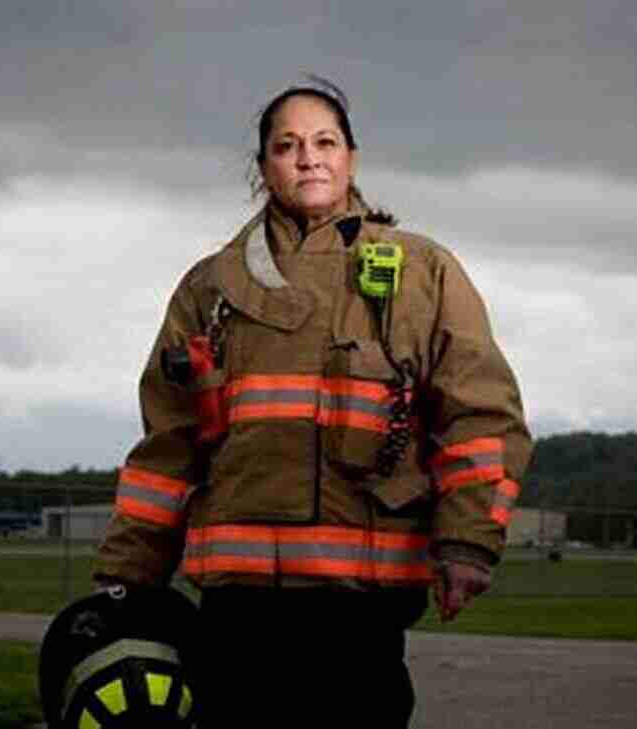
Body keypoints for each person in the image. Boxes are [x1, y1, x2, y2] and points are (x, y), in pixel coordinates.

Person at [92, 78, 532, 728]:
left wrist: (468, 543)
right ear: (263, 165)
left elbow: (482, 418)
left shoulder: (423, 273)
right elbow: (167, 447)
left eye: (325, 141)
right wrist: (128, 569)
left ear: (351, 156)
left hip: (361, 609)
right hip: (236, 610)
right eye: (287, 145)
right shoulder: (208, 288)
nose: (308, 157)